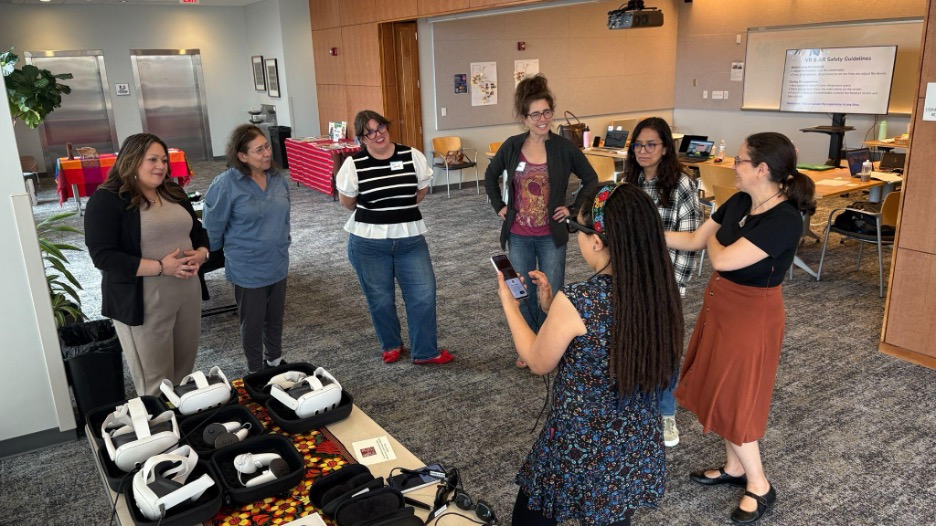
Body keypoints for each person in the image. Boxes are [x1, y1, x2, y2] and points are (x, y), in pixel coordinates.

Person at [497, 182, 684, 526]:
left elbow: (538, 361)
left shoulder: (581, 300)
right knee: (612, 515)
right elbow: (609, 337)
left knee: (531, 515)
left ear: (597, 241)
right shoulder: (660, 293)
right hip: (632, 439)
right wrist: (554, 309)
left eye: (576, 230)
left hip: (576, 442)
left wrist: (510, 305)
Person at [665, 132, 816, 524]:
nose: (733, 164)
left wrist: (714, 243)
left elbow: (724, 259)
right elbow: (698, 238)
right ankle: (734, 468)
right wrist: (645, 232)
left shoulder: (785, 219)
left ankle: (760, 485)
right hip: (722, 307)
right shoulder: (741, 201)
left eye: (740, 160)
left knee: (737, 397)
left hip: (753, 316)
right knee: (718, 385)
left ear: (761, 169)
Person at [484, 74, 598, 367]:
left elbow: (590, 179)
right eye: (535, 114)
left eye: (546, 112)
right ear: (524, 118)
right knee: (519, 289)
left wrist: (572, 209)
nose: (542, 118)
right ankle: (530, 343)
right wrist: (500, 205)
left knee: (553, 289)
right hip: (519, 233)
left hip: (551, 234)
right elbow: (490, 176)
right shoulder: (512, 146)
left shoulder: (563, 147)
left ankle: (552, 343)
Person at [85, 133, 209, 396]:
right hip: (143, 296)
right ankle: (161, 431)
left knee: (183, 371)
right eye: (152, 159)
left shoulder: (172, 191)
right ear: (131, 161)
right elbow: (103, 256)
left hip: (187, 291)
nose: (161, 166)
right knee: (155, 380)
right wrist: (162, 267)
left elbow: (197, 230)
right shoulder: (107, 200)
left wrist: (201, 253)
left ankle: (181, 424)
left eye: (164, 159)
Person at [336, 110, 453, 365]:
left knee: (424, 293)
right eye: (370, 132)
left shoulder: (411, 155)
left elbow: (421, 190)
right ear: (362, 138)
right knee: (380, 298)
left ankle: (425, 351)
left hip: (410, 239)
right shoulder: (353, 165)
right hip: (368, 243)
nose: (378, 135)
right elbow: (348, 202)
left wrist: (400, 209)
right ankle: (391, 344)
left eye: (381, 128)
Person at [623, 117, 702, 448]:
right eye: (638, 145)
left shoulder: (682, 184)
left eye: (650, 144)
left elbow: (692, 239)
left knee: (666, 351)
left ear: (665, 148)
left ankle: (666, 414)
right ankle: (635, 406)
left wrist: (674, 287)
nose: (643, 151)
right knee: (633, 345)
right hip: (630, 280)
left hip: (664, 283)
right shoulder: (629, 183)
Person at [203, 124, 291, 374]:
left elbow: (285, 217)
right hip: (247, 266)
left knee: (275, 318)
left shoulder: (277, 179)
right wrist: (209, 255)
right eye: (258, 150)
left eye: (266, 146)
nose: (266, 153)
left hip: (277, 261)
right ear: (242, 156)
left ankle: (274, 360)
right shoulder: (225, 184)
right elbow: (212, 228)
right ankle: (255, 370)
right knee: (252, 322)